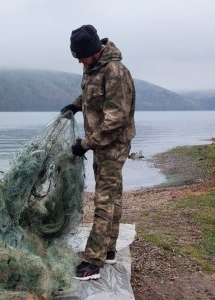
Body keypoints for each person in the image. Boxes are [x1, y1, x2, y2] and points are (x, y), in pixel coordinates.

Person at [60, 24, 136, 281]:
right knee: (112, 194)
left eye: (81, 56)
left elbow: (116, 119)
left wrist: (85, 144)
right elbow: (89, 95)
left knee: (103, 199)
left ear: (94, 50)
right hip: (100, 144)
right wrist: (74, 105)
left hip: (113, 145)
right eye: (76, 57)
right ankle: (109, 248)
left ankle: (93, 261)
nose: (79, 61)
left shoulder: (115, 73)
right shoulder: (91, 67)